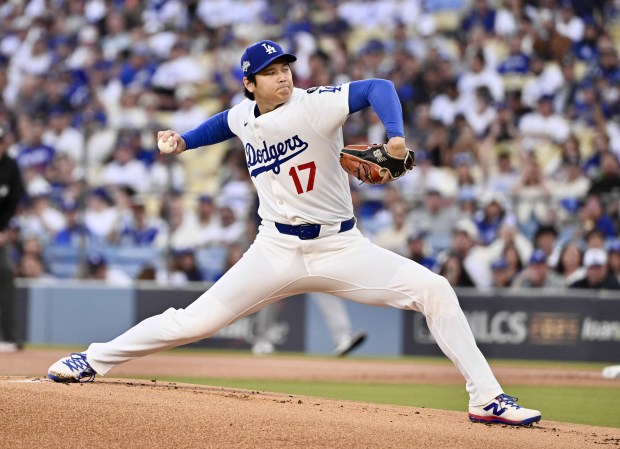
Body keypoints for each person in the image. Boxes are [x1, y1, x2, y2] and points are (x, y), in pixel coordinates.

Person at [48, 40, 541, 426]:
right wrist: (184, 140)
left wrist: (394, 134)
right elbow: (226, 123)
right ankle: (92, 359)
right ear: (250, 83)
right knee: (191, 323)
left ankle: (488, 399)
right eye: (271, 72)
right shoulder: (245, 114)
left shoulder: (315, 105)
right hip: (275, 248)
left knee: (435, 289)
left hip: (340, 246)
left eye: (286, 68)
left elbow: (378, 87)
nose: (283, 76)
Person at [0, 126, 26, 352]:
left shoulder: (10, 165)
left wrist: (4, 230)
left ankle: (8, 336)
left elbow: (14, 200)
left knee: (6, 273)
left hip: (0, 233)